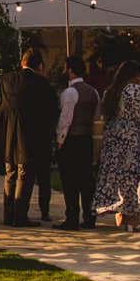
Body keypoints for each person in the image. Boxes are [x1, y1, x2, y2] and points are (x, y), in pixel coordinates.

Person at [0, 46, 61, 226]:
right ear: (39, 65)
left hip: (10, 133)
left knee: (10, 173)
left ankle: (8, 214)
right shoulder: (42, 84)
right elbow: (51, 111)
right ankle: (20, 215)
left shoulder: (8, 80)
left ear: (22, 63)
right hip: (31, 136)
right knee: (24, 175)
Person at [96, 61, 140, 231]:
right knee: (138, 178)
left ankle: (123, 216)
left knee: (121, 179)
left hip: (115, 140)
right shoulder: (134, 90)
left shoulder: (111, 92)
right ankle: (133, 219)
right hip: (132, 140)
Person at [56, 62, 99, 228]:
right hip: (87, 139)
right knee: (86, 180)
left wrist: (60, 140)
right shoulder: (93, 92)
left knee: (70, 181)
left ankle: (72, 217)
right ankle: (89, 216)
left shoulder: (70, 92)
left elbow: (65, 119)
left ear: (71, 71)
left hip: (71, 140)